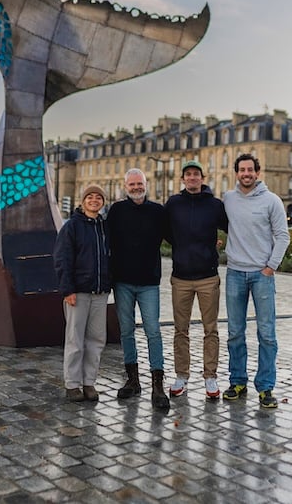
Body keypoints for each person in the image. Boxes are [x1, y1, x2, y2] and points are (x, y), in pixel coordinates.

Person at [221, 153, 290, 409]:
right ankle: (237, 381)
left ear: (257, 173)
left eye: (250, 169)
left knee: (267, 334)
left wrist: (270, 268)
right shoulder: (228, 199)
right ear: (236, 173)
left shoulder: (272, 201)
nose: (246, 173)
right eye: (242, 170)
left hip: (262, 275)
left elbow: (283, 236)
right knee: (235, 333)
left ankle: (266, 387)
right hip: (235, 274)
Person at [164, 160, 228, 400]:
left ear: (202, 178)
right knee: (181, 330)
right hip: (180, 277)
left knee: (210, 329)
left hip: (207, 277)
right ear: (183, 179)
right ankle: (182, 375)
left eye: (196, 174)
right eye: (188, 174)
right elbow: (166, 232)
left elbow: (232, 227)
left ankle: (210, 376)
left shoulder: (214, 205)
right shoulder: (173, 204)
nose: (192, 178)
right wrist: (182, 247)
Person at [107, 169, 170, 410]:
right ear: (126, 187)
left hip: (148, 282)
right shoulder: (116, 211)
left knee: (153, 331)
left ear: (146, 184)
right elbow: (104, 240)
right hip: (122, 281)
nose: (136, 187)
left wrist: (208, 240)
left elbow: (176, 237)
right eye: (132, 184)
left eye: (139, 183)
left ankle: (157, 384)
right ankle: (132, 380)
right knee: (126, 331)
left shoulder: (157, 211)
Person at [53, 184, 111, 402]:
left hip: (100, 292)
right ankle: (72, 384)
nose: (94, 200)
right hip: (78, 292)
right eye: (90, 197)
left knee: (96, 340)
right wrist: (67, 289)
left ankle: (89, 383)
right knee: (75, 340)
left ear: (103, 202)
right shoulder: (72, 227)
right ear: (83, 200)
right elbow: (62, 259)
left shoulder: (104, 227)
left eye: (98, 197)